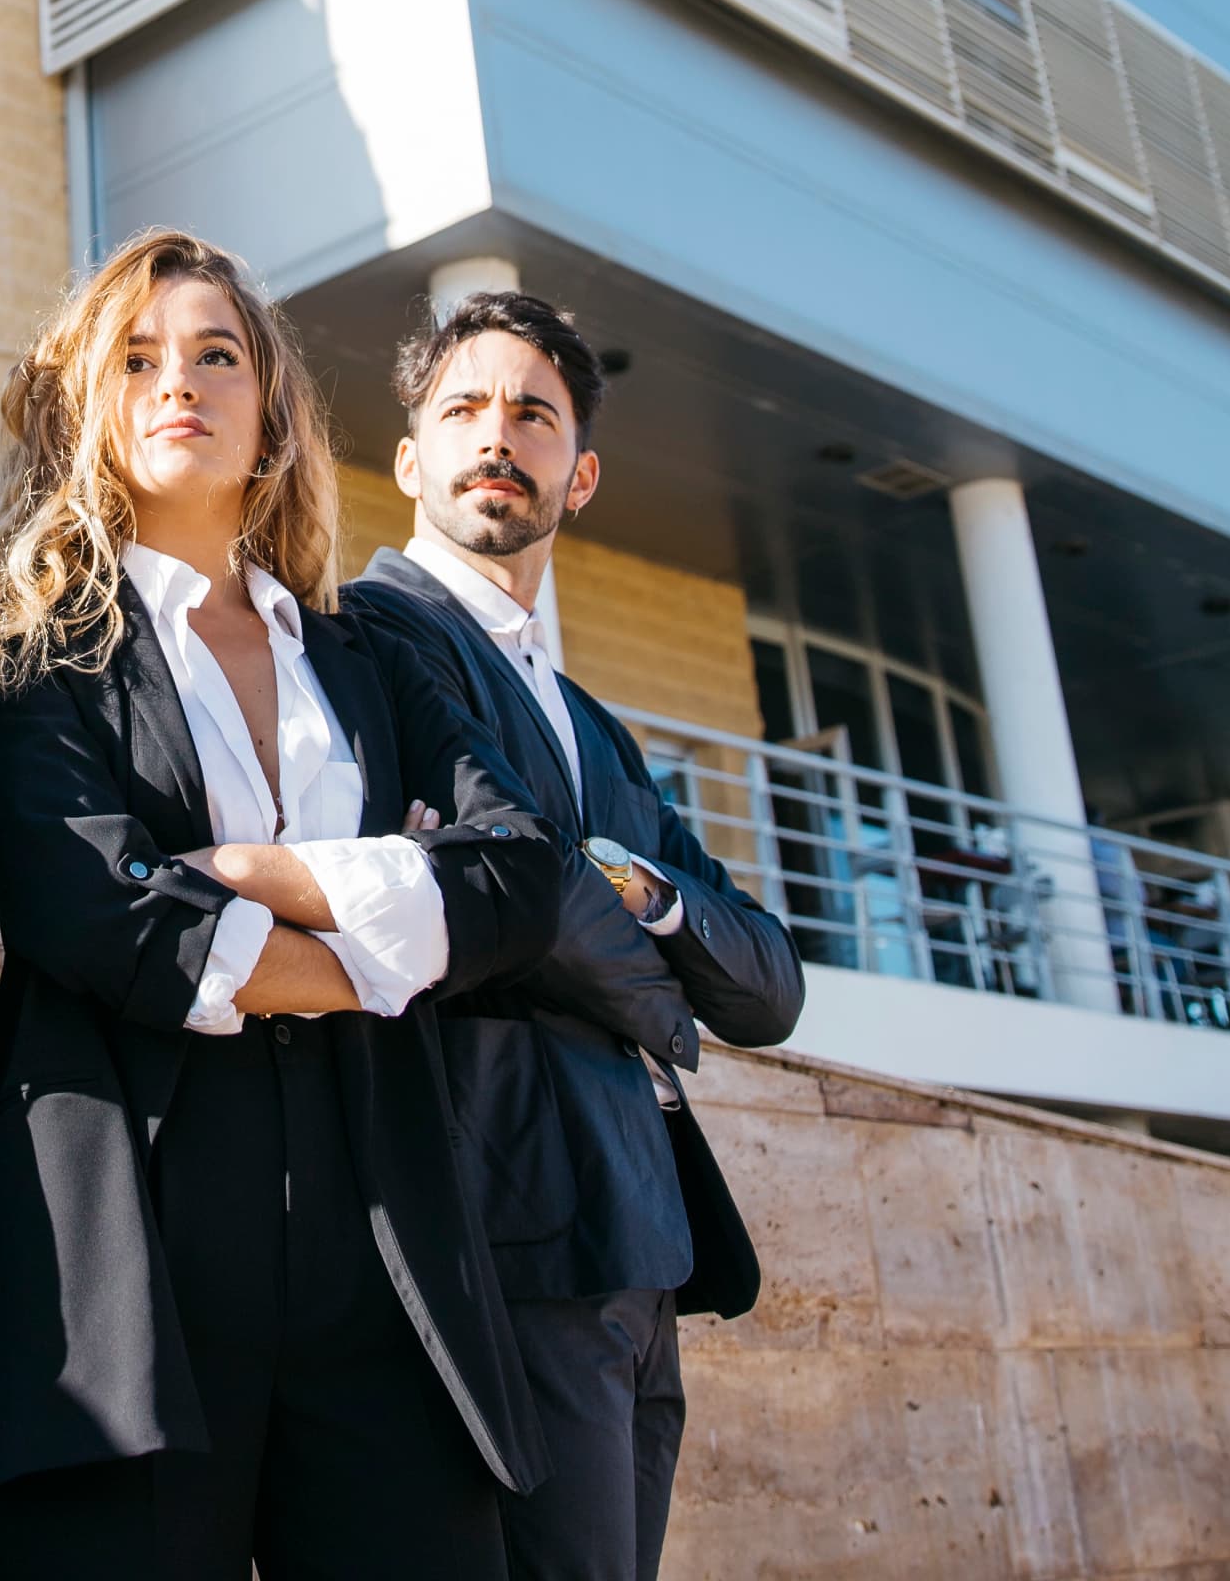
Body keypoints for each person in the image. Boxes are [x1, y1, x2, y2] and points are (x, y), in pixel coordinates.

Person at [0, 226, 565, 1580]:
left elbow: (522, 874)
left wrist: (262, 875)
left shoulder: (371, 652)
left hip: (387, 1231)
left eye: (218, 354)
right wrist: (393, 944)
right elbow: (101, 918)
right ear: (88, 407)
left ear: (273, 410)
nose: (182, 380)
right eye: (138, 357)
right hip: (139, 1243)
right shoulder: (29, 650)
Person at [341, 288, 802, 1581]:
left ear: (580, 473)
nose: (500, 434)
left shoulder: (601, 728)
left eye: (534, 414)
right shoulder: (378, 635)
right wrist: (663, 1002)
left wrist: (649, 898)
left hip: (643, 1239)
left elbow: (769, 984)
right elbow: (526, 893)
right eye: (465, 409)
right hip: (510, 1207)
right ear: (408, 457)